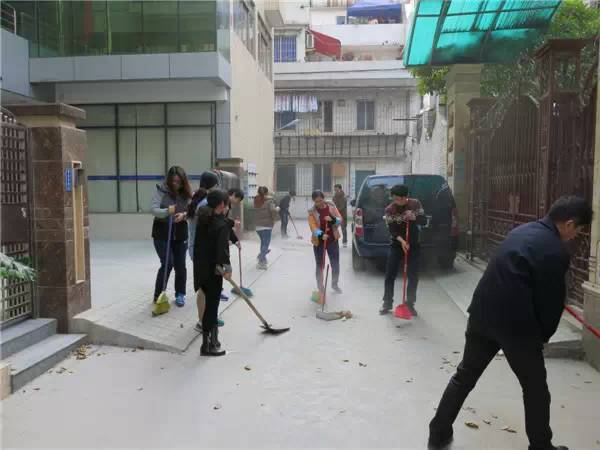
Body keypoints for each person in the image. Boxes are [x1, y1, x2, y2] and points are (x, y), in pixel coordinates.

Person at [428, 196, 593, 450]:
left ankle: (438, 433)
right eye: (579, 230)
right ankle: (541, 446)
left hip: (482, 315)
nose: (576, 236)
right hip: (517, 328)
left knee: (465, 375)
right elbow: (550, 303)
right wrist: (542, 337)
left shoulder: (521, 230)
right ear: (569, 224)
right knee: (535, 388)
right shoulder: (555, 250)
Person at [193, 189, 233, 357]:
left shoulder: (204, 219)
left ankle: (213, 341)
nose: (227, 207)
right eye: (226, 205)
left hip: (200, 269)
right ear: (222, 205)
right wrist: (228, 268)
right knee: (212, 307)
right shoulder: (221, 225)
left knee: (210, 305)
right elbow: (222, 251)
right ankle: (207, 346)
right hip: (213, 271)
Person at [379, 184, 426, 316]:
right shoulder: (389, 209)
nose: (397, 201)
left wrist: (414, 217)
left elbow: (423, 220)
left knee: (413, 275)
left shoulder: (415, 204)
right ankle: (387, 303)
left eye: (400, 199)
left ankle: (410, 304)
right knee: (390, 274)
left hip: (414, 244)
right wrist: (402, 241)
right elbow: (392, 230)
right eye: (395, 198)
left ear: (406, 197)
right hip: (397, 244)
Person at [151, 166, 192, 307]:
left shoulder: (186, 193)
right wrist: (167, 211)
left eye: (179, 181)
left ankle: (180, 293)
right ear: (169, 180)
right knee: (168, 263)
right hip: (162, 233)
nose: (176, 184)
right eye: (173, 181)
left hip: (180, 233)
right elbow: (154, 209)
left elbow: (192, 211)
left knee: (180, 265)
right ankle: (158, 295)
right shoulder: (161, 190)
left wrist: (184, 215)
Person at [308, 190, 343, 294]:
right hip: (319, 242)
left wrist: (332, 219)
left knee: (335, 263)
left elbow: (340, 220)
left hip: (332, 240)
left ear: (324, 198)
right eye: (316, 201)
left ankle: (334, 284)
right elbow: (313, 227)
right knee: (320, 265)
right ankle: (320, 288)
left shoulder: (331, 207)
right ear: (313, 201)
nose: (319, 203)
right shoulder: (311, 212)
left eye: (320, 200)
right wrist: (321, 235)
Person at [254, 186, 279, 270]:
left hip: (258, 226)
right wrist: (277, 209)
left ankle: (263, 259)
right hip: (266, 226)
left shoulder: (256, 200)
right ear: (267, 192)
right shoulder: (270, 201)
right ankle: (261, 260)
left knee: (263, 243)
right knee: (266, 244)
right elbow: (273, 210)